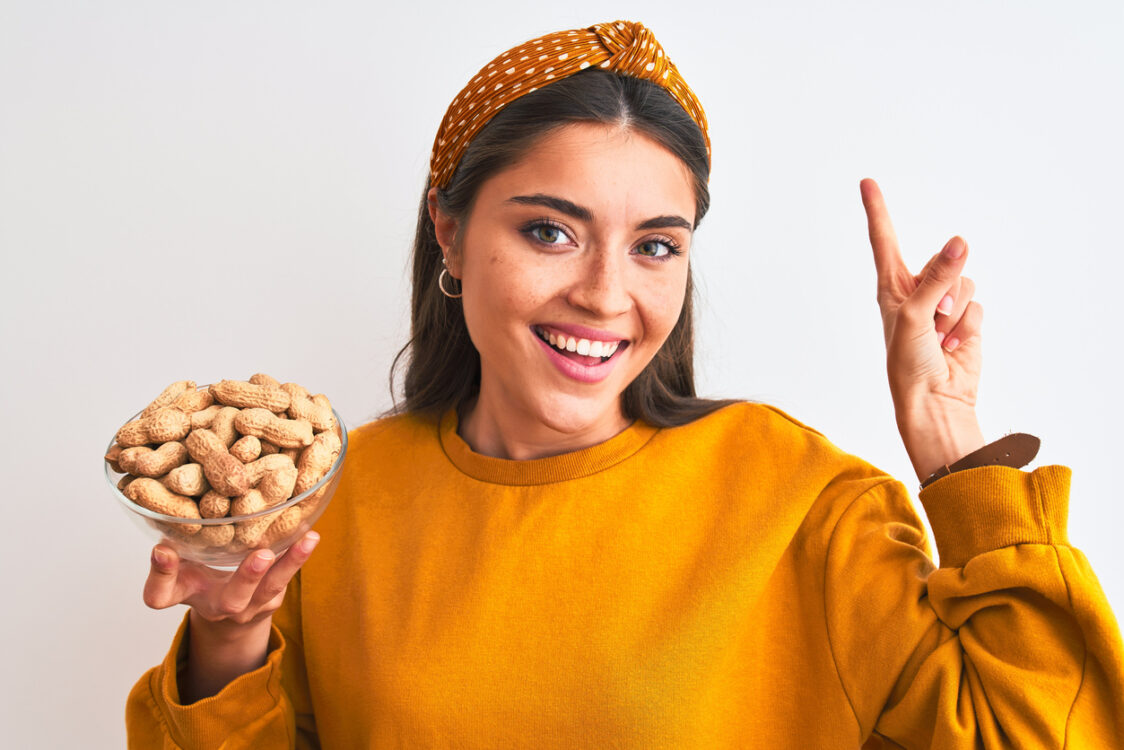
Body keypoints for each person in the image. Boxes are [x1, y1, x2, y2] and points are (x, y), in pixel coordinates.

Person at [125, 20, 1124, 748]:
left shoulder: (799, 499)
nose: (605, 294)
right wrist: (230, 643)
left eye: (654, 246)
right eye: (548, 230)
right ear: (450, 232)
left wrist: (952, 455)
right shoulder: (329, 502)